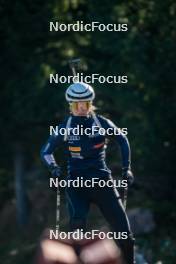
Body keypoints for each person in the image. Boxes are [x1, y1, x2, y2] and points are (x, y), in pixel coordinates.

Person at [40, 82, 135, 263]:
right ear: (70, 106)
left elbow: (123, 140)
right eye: (77, 105)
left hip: (102, 182)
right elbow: (45, 152)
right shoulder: (65, 127)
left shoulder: (101, 122)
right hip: (77, 185)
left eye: (86, 103)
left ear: (91, 103)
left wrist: (126, 168)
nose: (82, 108)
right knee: (77, 236)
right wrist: (54, 168)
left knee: (126, 237)